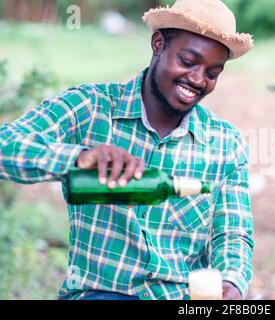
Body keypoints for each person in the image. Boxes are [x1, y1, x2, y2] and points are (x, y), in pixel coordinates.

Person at [0, 0, 254, 300]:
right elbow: (6, 145)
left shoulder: (226, 143)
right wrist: (79, 158)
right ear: (158, 44)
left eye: (213, 72)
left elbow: (232, 234)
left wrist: (233, 282)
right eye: (187, 61)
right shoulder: (90, 108)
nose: (198, 79)